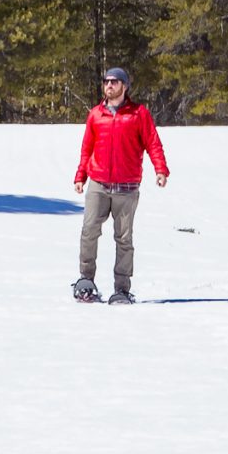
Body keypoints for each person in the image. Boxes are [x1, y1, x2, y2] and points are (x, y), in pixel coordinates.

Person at [73, 67, 168, 304]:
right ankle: (86, 281)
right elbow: (87, 148)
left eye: (115, 82)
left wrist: (160, 170)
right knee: (89, 232)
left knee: (124, 239)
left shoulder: (138, 114)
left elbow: (153, 144)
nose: (109, 85)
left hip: (127, 187)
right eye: (106, 81)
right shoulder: (96, 115)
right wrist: (80, 176)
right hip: (99, 184)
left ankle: (122, 289)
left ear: (125, 86)